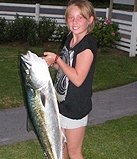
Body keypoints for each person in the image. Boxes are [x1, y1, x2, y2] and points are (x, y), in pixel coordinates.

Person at [43, 0, 97, 158]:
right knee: (61, 148)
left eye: (80, 17)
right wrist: (51, 63)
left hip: (76, 107)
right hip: (62, 103)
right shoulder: (70, 40)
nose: (75, 21)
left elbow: (78, 79)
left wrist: (57, 59)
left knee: (74, 152)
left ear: (90, 20)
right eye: (71, 17)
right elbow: (66, 70)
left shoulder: (86, 47)